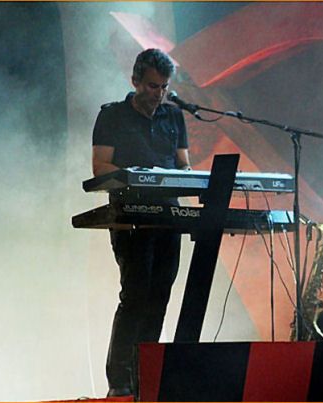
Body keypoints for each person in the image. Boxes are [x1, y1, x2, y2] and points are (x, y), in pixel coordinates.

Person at [92, 48, 190, 397]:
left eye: (163, 87)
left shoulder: (174, 116)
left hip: (168, 217)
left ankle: (145, 377)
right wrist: (136, 176)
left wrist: (185, 177)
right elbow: (100, 167)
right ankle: (119, 383)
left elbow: (183, 165)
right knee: (135, 296)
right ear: (135, 81)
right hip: (131, 215)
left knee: (160, 295)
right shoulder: (112, 116)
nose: (158, 94)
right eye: (151, 86)